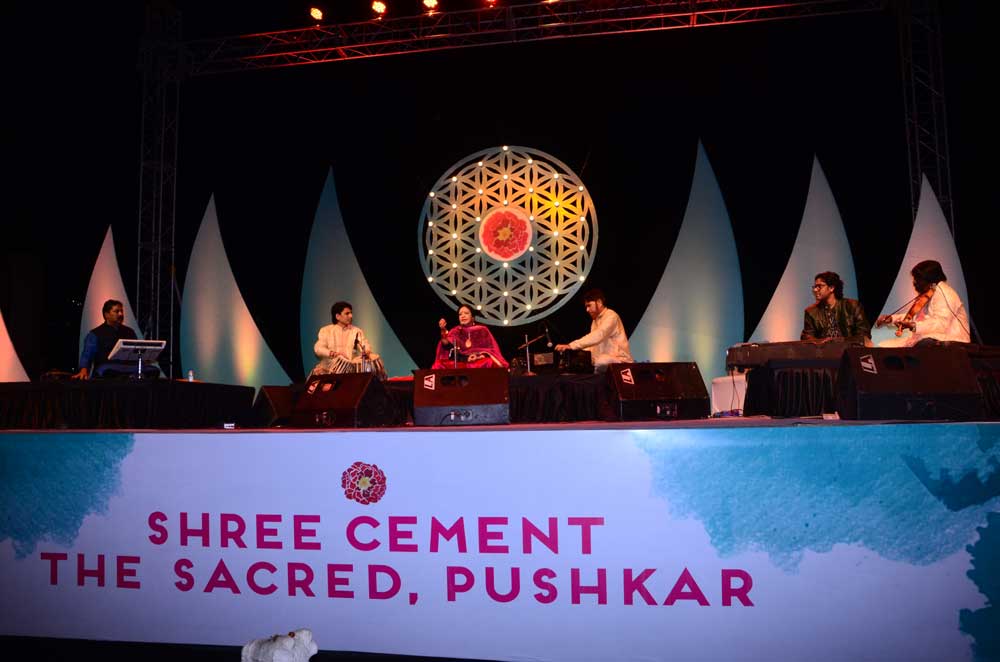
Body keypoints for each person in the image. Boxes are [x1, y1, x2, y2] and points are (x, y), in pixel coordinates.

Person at [875, 260, 970, 347]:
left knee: (919, 346)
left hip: (949, 340)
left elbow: (940, 323)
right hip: (931, 338)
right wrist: (892, 319)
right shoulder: (930, 292)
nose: (914, 282)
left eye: (917, 279)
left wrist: (914, 326)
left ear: (929, 279)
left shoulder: (944, 292)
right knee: (883, 346)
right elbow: (918, 318)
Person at [72, 299, 158, 379]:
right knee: (108, 372)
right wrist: (83, 369)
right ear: (106, 315)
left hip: (130, 367)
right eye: (117, 311)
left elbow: (136, 351)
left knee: (154, 370)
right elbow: (87, 354)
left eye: (121, 311)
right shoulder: (95, 334)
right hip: (108, 367)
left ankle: (129, 377)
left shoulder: (129, 331)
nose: (120, 314)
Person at [554, 289, 633, 371]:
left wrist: (571, 346)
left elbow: (598, 335)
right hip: (603, 361)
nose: (587, 310)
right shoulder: (595, 321)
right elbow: (592, 345)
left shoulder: (611, 316)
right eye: (586, 307)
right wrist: (576, 353)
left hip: (621, 361)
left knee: (601, 361)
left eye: (589, 305)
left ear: (599, 302)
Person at [310, 301, 386, 378]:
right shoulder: (326, 330)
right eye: (347, 313)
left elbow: (365, 344)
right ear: (337, 316)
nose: (351, 316)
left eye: (351, 313)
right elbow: (318, 348)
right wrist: (332, 353)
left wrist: (366, 351)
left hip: (348, 371)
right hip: (328, 370)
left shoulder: (356, 331)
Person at [801, 271, 871, 344]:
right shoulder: (811, 311)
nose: (815, 290)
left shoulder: (852, 306)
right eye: (815, 287)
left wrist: (842, 342)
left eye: (819, 286)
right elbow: (807, 337)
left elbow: (863, 334)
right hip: (824, 350)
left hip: (851, 349)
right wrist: (822, 343)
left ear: (831, 288)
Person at [432, 305, 508, 369]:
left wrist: (478, 357)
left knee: (489, 362)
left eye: (466, 313)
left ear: (472, 317)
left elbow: (491, 350)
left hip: (478, 360)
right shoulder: (455, 331)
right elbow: (446, 344)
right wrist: (443, 330)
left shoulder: (482, 330)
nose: (463, 316)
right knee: (438, 364)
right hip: (461, 361)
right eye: (460, 314)